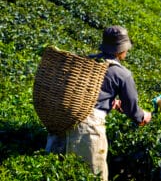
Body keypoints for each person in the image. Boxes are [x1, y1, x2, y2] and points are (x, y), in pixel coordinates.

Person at [45, 25, 152, 181]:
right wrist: (143, 116)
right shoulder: (123, 74)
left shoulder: (87, 61)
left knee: (55, 172)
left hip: (63, 119)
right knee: (91, 175)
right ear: (121, 50)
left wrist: (109, 102)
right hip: (87, 130)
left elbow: (88, 93)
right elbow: (132, 108)